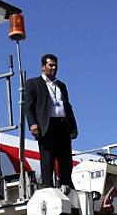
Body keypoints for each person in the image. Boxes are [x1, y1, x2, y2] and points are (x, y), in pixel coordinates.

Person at [22, 54, 78, 188]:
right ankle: (47, 185)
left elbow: (68, 106)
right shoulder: (33, 83)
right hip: (46, 125)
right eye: (50, 65)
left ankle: (67, 183)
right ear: (43, 67)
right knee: (47, 158)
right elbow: (28, 105)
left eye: (55, 65)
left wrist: (73, 126)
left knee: (65, 158)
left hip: (63, 125)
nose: (53, 68)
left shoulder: (61, 85)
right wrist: (32, 123)